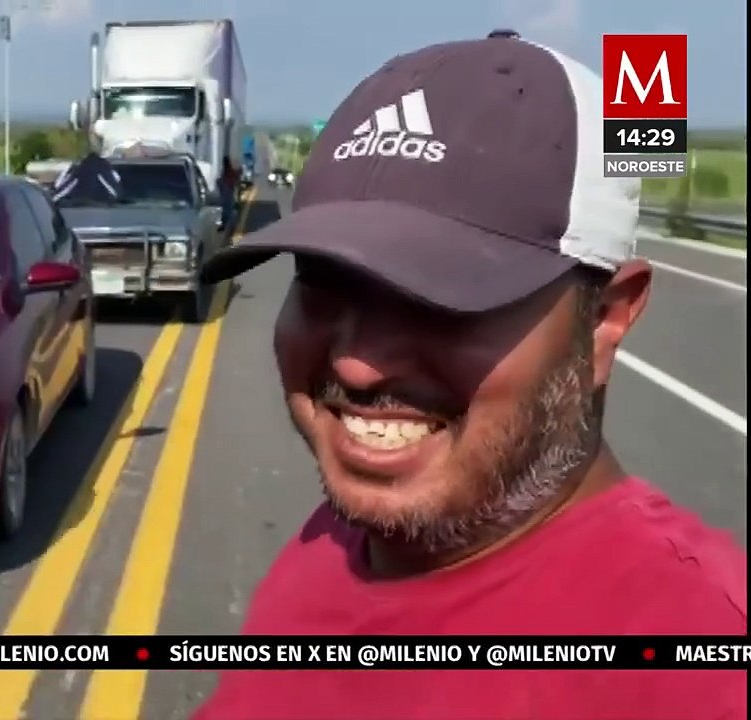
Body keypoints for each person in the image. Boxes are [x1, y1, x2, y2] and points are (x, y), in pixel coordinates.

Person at [193, 31, 746, 720]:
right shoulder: (343, 540)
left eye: (442, 298)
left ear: (606, 317)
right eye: (322, 283)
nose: (355, 363)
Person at [52, 146, 124, 203]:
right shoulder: (105, 168)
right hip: (104, 207)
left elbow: (59, 191)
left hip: (76, 208)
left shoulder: (76, 170)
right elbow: (116, 190)